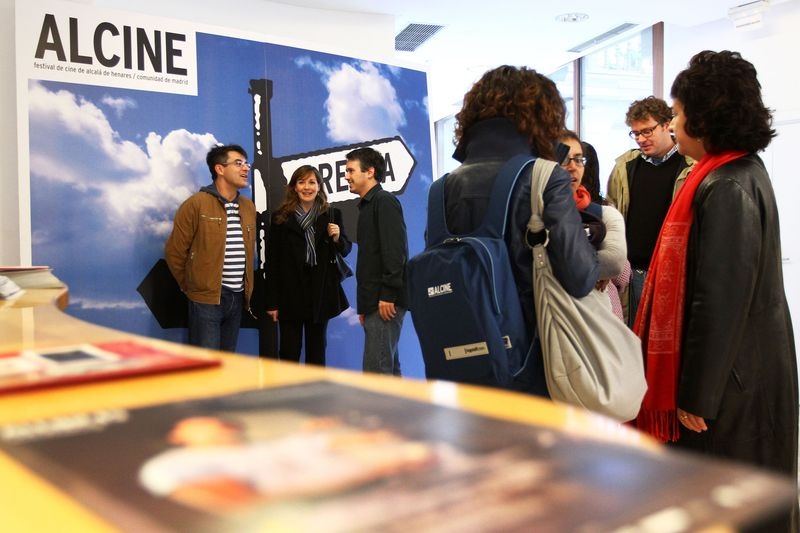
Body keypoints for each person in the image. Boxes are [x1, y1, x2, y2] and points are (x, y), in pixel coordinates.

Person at [635, 50, 798, 530]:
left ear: (704, 117)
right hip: (748, 370)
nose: (675, 122)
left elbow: (719, 299)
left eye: (679, 113)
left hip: (732, 385)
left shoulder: (725, 184)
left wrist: (697, 396)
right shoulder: (739, 172)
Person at [444, 65, 598, 395]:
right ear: (542, 116)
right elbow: (580, 276)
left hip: (460, 360)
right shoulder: (543, 176)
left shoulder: (442, 187)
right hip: (530, 363)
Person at [606, 96, 694, 327]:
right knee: (630, 342)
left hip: (670, 275)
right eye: (635, 133)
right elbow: (611, 215)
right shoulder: (625, 166)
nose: (641, 139)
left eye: (647, 131)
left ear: (667, 124)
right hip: (631, 273)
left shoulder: (690, 166)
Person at [165, 144, 256, 351]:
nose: (245, 169)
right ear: (219, 169)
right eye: (238, 163)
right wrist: (194, 286)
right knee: (207, 366)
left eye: (246, 164)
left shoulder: (248, 207)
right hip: (206, 300)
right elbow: (175, 251)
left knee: (227, 363)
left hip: (238, 298)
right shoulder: (195, 204)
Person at [264, 165, 351, 366]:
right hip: (290, 295)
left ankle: (315, 396)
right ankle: (289, 396)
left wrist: (338, 238)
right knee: (288, 352)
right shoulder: (280, 218)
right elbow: (272, 263)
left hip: (320, 294)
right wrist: (272, 302)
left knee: (317, 352)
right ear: (294, 187)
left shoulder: (332, 214)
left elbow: (345, 250)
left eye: (312, 182)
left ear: (319, 186)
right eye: (301, 182)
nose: (307, 187)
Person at [345, 147, 408, 376]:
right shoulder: (369, 206)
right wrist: (365, 306)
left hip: (385, 301)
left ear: (369, 172)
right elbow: (370, 260)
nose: (346, 176)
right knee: (388, 370)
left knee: (376, 375)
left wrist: (388, 294)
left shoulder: (384, 201)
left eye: (351, 170)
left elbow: (395, 251)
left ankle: (380, 414)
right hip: (375, 303)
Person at [560, 130, 628, 321]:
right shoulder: (532, 214)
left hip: (598, 319)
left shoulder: (605, 214)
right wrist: (592, 266)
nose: (573, 167)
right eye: (564, 159)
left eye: (579, 159)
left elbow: (614, 263)